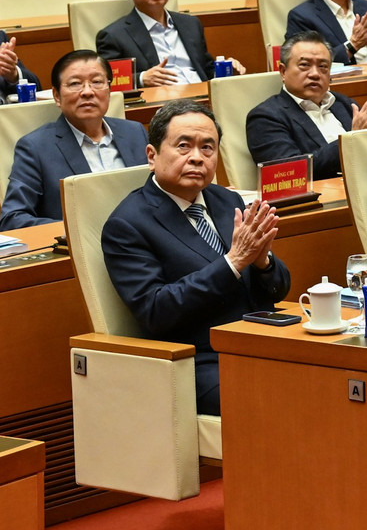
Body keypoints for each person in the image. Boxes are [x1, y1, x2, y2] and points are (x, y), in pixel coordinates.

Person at [101, 98, 289, 413]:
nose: (197, 158)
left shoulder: (226, 199)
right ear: (152, 155)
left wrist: (262, 262)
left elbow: (278, 289)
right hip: (200, 360)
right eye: (184, 146)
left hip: (264, 340)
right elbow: (156, 311)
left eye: (207, 148)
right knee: (280, 397)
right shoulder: (128, 224)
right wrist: (233, 262)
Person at [0, 51, 149, 230]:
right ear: (56, 96)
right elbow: (13, 218)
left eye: (97, 82)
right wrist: (78, 232)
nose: (87, 92)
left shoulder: (135, 132)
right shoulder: (35, 148)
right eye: (75, 84)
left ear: (109, 90)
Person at [245, 32, 367, 180]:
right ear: (283, 72)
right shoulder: (265, 117)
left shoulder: (343, 103)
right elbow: (290, 172)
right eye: (304, 65)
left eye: (323, 66)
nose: (315, 74)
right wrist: (352, 138)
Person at [96, 0, 232, 88]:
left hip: (204, 96)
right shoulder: (113, 36)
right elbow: (108, 80)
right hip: (163, 104)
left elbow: (207, 69)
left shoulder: (191, 24)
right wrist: (142, 78)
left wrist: (227, 70)